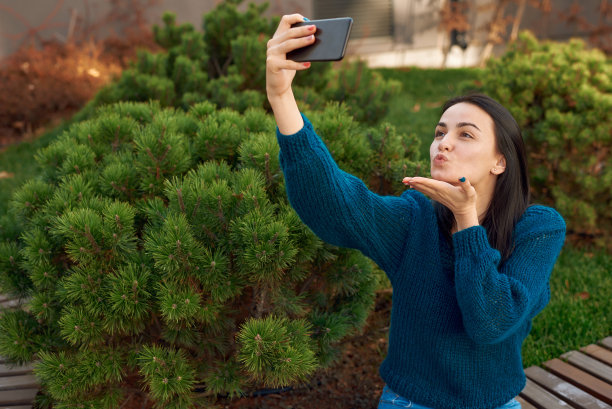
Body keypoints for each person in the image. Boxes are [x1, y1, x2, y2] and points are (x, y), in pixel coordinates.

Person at [266, 14, 566, 409]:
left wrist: (466, 222)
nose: (443, 143)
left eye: (465, 134)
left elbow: (490, 322)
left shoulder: (538, 229)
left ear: (500, 162)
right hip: (409, 402)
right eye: (440, 132)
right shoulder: (415, 219)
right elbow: (335, 203)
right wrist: (281, 97)